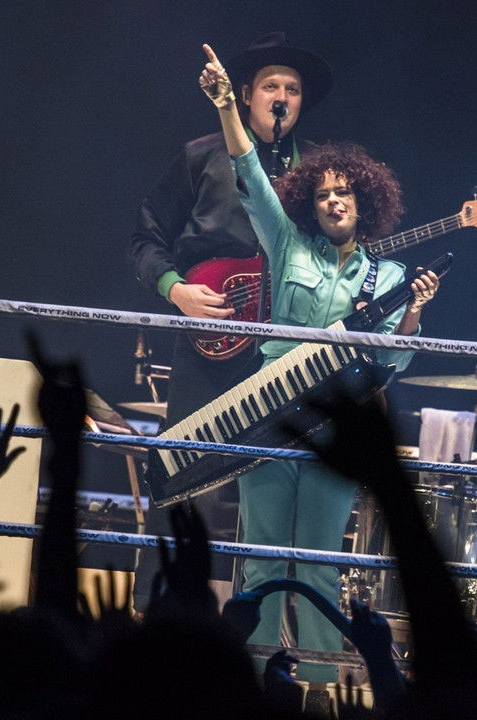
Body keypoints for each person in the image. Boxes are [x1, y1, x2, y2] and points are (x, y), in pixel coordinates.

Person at [200, 43, 441, 693]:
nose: (335, 200)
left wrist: (413, 313)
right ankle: (248, 690)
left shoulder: (386, 275)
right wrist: (228, 107)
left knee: (318, 562)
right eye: (326, 192)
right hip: (273, 407)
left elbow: (393, 356)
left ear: (366, 202)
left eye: (346, 193)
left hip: (339, 418)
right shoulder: (287, 242)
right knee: (260, 560)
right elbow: (249, 173)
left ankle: (316, 688)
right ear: (312, 200)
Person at [126, 32, 332, 609]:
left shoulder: (319, 173)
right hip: (207, 346)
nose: (282, 96)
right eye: (271, 85)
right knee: (184, 484)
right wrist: (177, 291)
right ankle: (162, 617)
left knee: (269, 493)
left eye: (292, 88)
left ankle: (258, 627)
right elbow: (145, 239)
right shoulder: (200, 155)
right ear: (245, 95)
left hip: (281, 354)